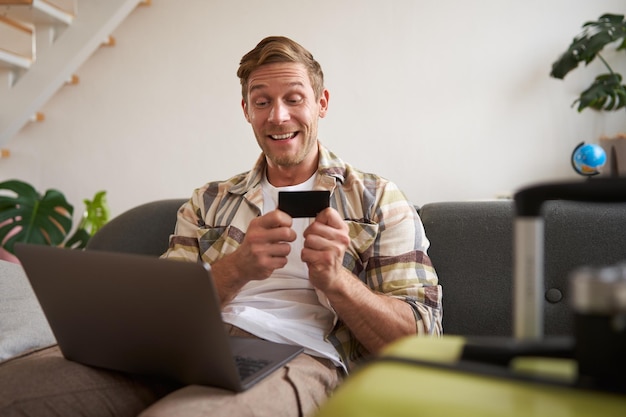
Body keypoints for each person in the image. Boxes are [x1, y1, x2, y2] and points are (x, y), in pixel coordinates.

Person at [0, 36, 441, 417]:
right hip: (183, 351)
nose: (278, 116)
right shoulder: (208, 202)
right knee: (17, 394)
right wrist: (238, 267)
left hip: (297, 353)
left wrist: (337, 281)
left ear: (321, 103)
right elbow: (158, 314)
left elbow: (418, 338)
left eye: (294, 98)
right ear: (246, 109)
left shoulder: (377, 198)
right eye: (262, 101)